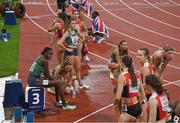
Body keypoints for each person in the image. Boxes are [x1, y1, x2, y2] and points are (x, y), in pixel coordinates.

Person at [58, 17, 90, 89]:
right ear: (69, 25)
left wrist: (79, 43)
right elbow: (59, 42)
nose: (74, 25)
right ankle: (69, 84)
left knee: (78, 69)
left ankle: (81, 85)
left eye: (75, 23)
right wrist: (66, 49)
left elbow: (83, 37)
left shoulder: (76, 31)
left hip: (75, 51)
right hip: (70, 52)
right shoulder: (67, 32)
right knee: (70, 70)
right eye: (72, 23)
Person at [113, 55, 146, 122]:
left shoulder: (122, 76)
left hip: (127, 109)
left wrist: (115, 104)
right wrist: (138, 105)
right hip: (138, 107)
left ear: (122, 64)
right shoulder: (137, 74)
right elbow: (143, 94)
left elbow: (118, 97)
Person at [137, 48, 153, 122]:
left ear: (146, 56)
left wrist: (133, 87)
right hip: (147, 96)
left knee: (143, 120)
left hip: (145, 96)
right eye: (137, 54)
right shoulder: (147, 66)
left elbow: (145, 85)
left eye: (140, 55)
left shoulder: (145, 69)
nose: (138, 57)